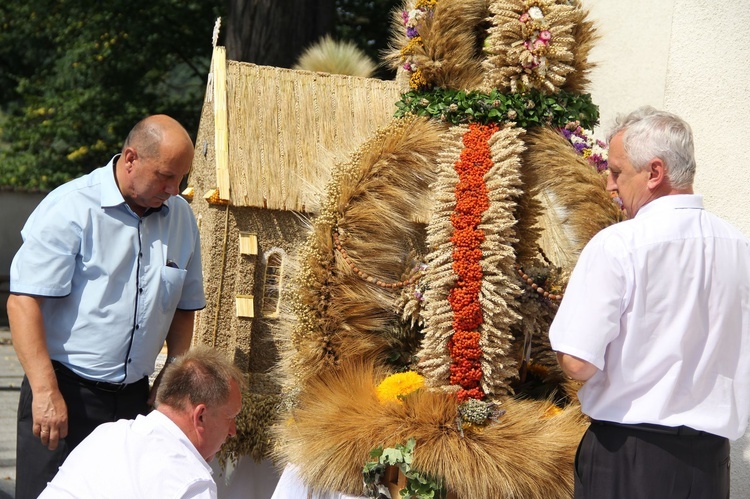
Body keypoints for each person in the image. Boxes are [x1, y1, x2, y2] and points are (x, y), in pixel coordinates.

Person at [549, 106, 750, 498]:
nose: (609, 185)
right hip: (709, 464)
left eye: (617, 172)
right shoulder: (740, 248)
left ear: (654, 173)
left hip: (628, 459)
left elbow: (578, 362)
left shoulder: (620, 244)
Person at [7, 114, 206, 498]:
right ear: (130, 158)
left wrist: (174, 371)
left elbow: (185, 306)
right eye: (166, 176)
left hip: (135, 401)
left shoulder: (181, 216)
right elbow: (23, 302)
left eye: (181, 178)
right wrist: (46, 393)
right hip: (64, 394)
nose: (174, 188)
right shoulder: (70, 207)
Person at [38, 346, 245, 498]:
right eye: (230, 418)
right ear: (200, 416)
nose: (233, 431)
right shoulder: (191, 483)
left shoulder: (107, 433)